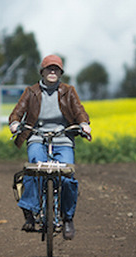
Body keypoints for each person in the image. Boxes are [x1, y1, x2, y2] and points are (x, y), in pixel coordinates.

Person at [9, 54, 91, 240]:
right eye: (49, 68)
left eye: (56, 69)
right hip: (37, 137)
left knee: (67, 176)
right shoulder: (31, 92)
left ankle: (68, 218)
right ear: (42, 72)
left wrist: (84, 124)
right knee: (34, 168)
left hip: (63, 139)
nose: (52, 72)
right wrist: (15, 123)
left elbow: (79, 110)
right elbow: (17, 112)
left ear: (61, 73)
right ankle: (30, 212)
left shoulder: (68, 91)